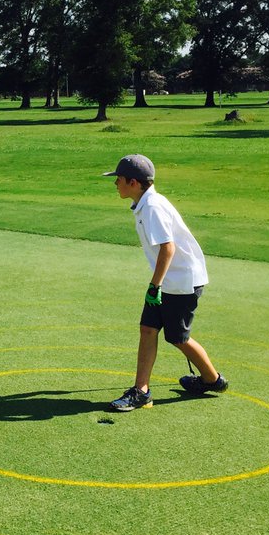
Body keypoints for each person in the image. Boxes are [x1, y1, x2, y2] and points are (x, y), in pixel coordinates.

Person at [103, 154, 227, 411]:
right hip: (169, 280)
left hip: (181, 281)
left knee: (177, 337)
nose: (116, 184)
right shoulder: (145, 204)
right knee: (148, 329)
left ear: (134, 183)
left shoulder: (153, 208)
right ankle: (141, 391)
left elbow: (167, 249)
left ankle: (212, 379)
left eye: (119, 180)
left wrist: (154, 285)